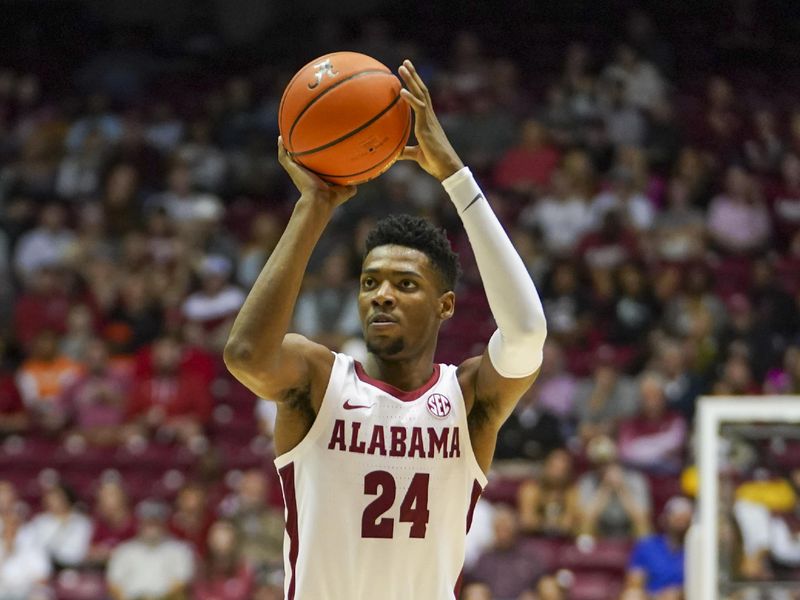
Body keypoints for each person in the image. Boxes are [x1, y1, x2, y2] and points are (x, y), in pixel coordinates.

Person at [223, 60, 547, 599]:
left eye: (404, 283)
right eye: (370, 281)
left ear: (445, 306)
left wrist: (455, 177)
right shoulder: (319, 380)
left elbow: (528, 334)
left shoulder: (468, 399)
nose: (382, 294)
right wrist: (314, 206)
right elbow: (245, 354)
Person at [107, 499, 194, 600]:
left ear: (164, 523)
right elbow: (113, 585)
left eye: (155, 521)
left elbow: (181, 583)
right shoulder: (124, 550)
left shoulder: (180, 550)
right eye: (147, 522)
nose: (151, 526)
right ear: (140, 523)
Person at [624, 496, 692, 598]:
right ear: (665, 519)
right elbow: (634, 582)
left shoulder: (698, 551)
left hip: (683, 596)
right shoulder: (647, 547)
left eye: (684, 520)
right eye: (677, 519)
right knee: (632, 595)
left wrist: (679, 593)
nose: (681, 524)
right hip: (651, 596)